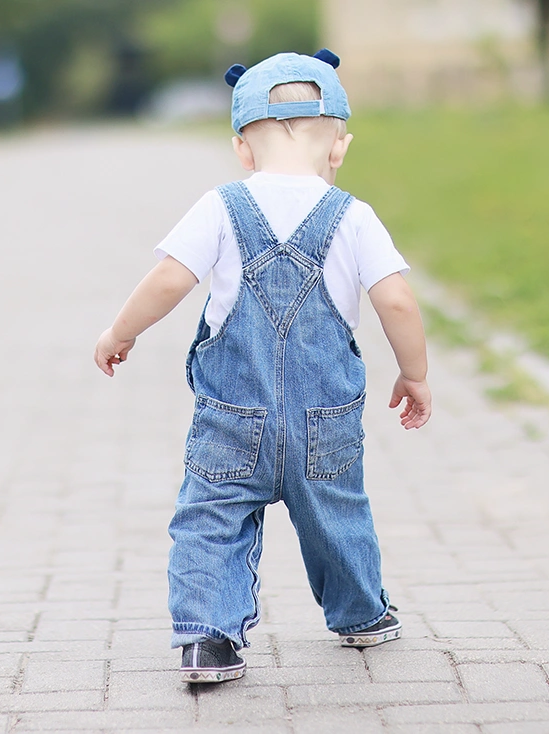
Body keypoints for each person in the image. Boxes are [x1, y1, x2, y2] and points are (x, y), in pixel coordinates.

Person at [93, 49, 432, 684]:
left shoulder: (220, 207)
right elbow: (396, 298)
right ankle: (361, 616)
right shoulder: (354, 217)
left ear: (242, 149)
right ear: (339, 147)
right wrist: (413, 373)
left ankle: (207, 637)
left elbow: (169, 279)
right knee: (338, 515)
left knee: (209, 519)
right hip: (323, 419)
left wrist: (120, 331)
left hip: (231, 419)